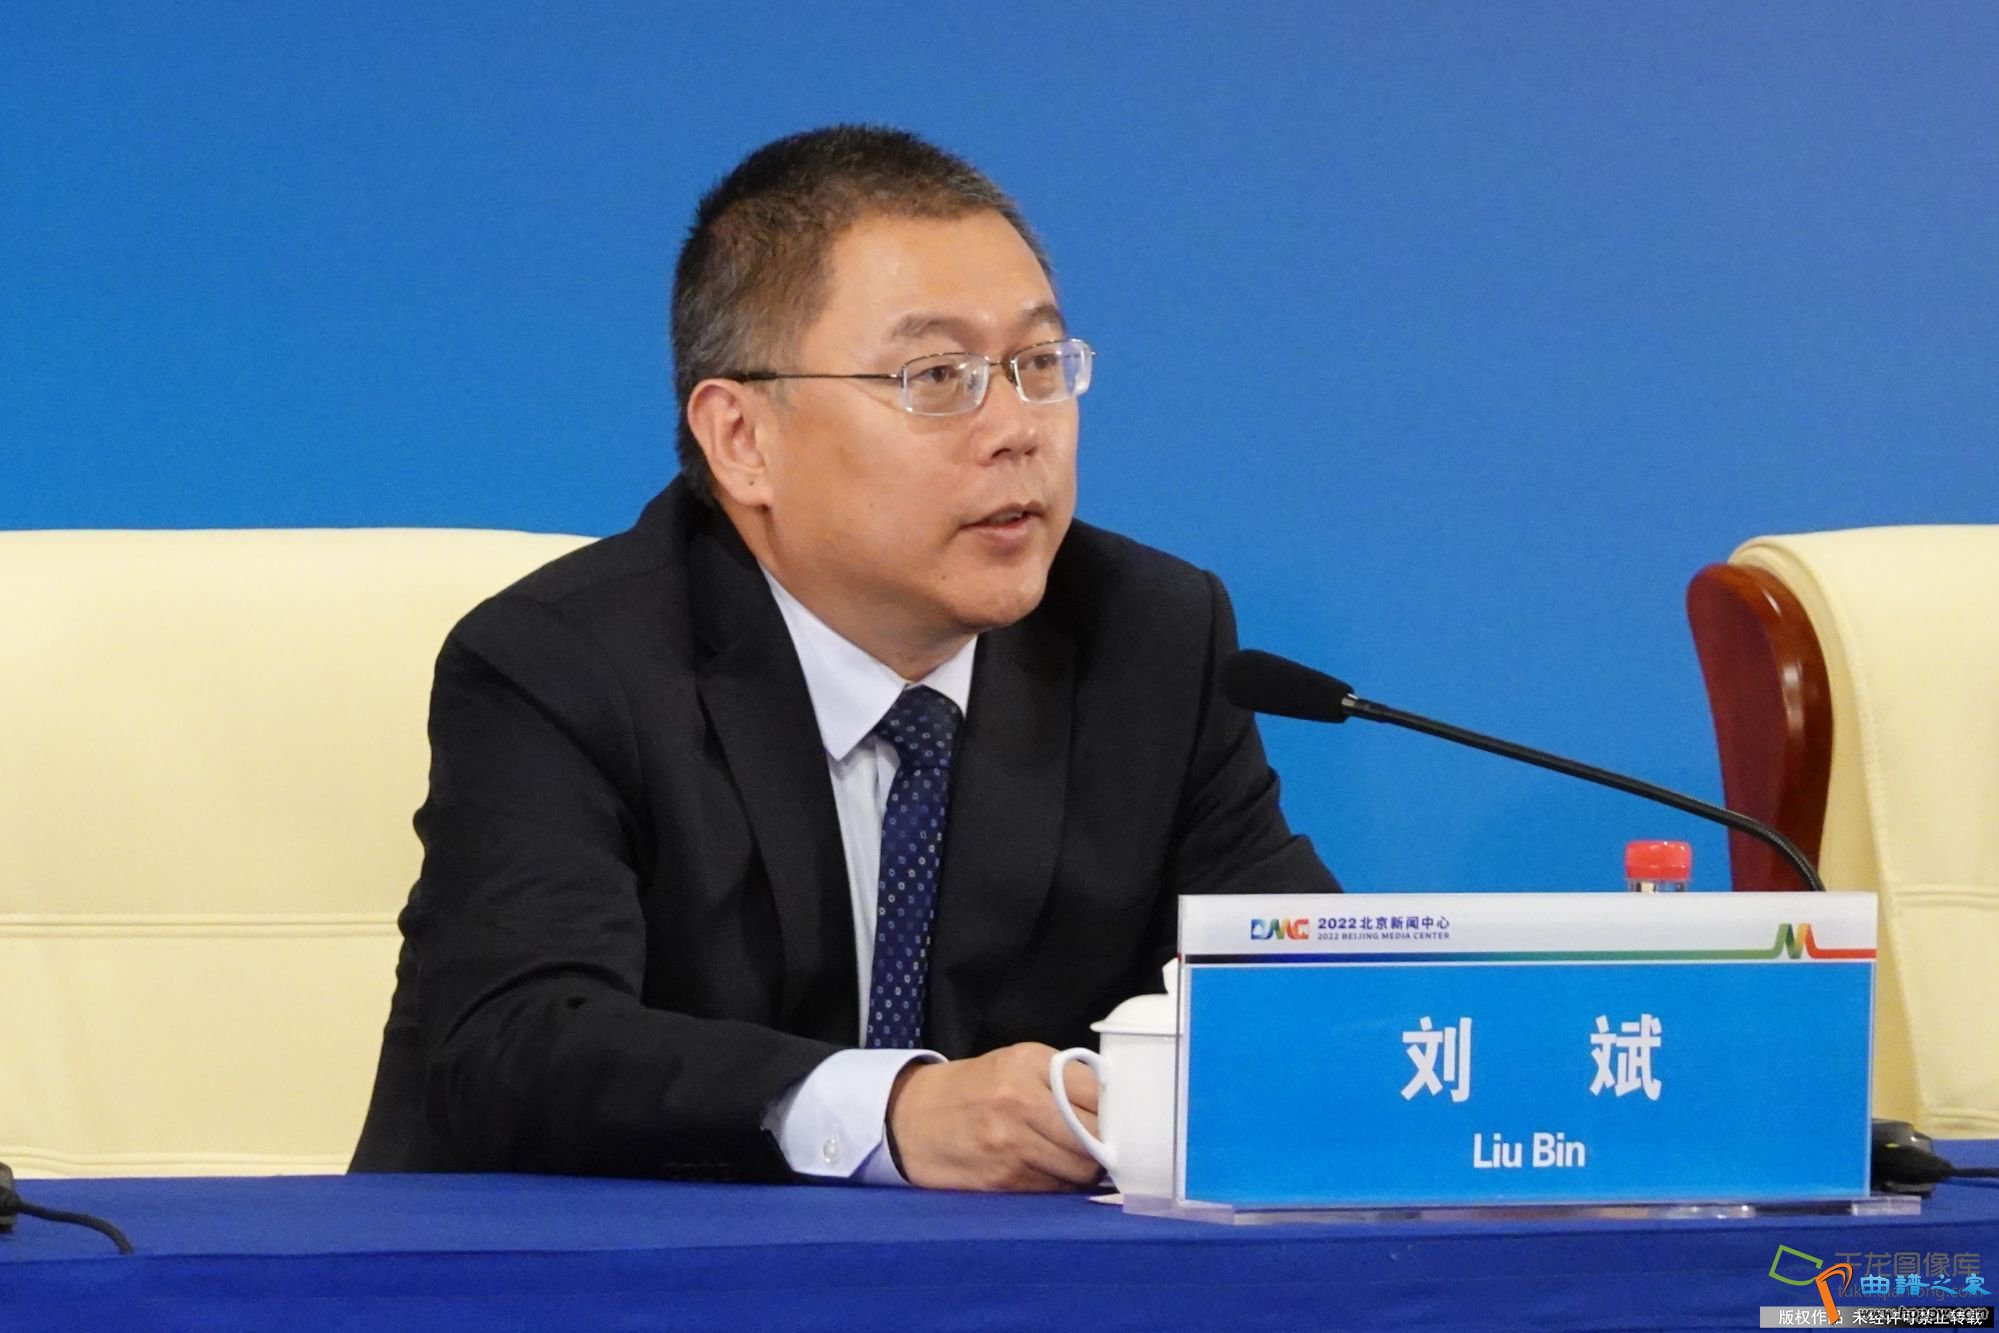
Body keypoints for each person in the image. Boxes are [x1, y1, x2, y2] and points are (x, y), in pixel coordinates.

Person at [350, 125, 1336, 1191]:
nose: (1018, 428)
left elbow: (1306, 998)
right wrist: (891, 1111)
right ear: (743, 440)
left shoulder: (1146, 639)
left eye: (1039, 365)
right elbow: (518, 1043)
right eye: (938, 375)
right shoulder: (561, 665)